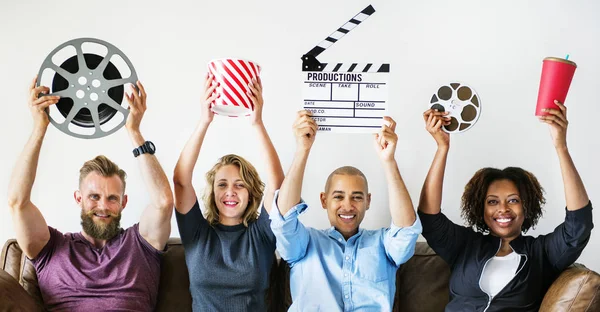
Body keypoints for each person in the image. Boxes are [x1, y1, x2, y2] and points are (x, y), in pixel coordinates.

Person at [7, 78, 174, 311]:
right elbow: (17, 202)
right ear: (79, 198)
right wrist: (39, 128)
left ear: (124, 202)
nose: (103, 206)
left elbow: (164, 202)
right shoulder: (51, 248)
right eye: (94, 197)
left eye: (112, 198)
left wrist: (134, 131)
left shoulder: (140, 245)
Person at [417, 103, 593, 311]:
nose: (503, 209)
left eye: (513, 200)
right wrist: (442, 147)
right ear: (480, 209)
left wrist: (560, 146)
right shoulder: (465, 245)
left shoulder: (542, 253)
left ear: (526, 206)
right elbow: (429, 217)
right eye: (492, 201)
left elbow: (578, 225)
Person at [270, 111, 422, 311]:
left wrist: (389, 161)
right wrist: (302, 149)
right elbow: (283, 219)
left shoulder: (384, 245)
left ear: (368, 201)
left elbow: (406, 230)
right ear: (324, 200)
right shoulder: (305, 244)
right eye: (338, 196)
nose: (348, 205)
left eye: (357, 197)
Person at [173, 74, 284, 311]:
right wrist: (204, 121)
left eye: (240, 184)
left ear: (251, 192)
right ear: (213, 191)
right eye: (222, 184)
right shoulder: (197, 234)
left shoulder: (262, 234)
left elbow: (277, 185)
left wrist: (257, 123)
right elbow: (181, 181)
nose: (230, 192)